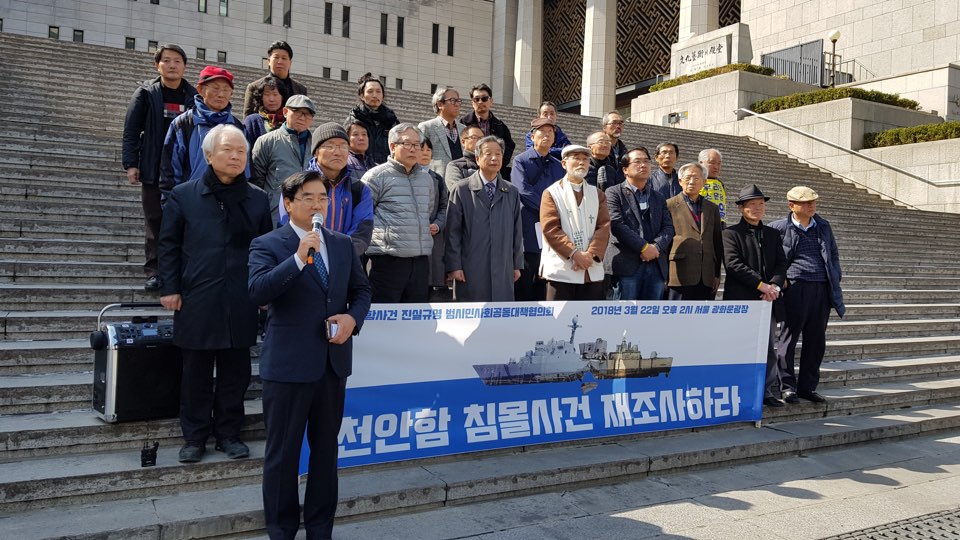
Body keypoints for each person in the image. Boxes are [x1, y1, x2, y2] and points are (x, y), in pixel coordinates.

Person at [249, 170, 372, 540]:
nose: (318, 204)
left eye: (323, 197)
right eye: (308, 198)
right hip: (288, 366)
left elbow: (362, 290)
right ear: (288, 204)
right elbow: (257, 291)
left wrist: (352, 319)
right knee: (282, 454)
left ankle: (320, 528)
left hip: (332, 366)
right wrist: (298, 260)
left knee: (325, 452)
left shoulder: (342, 244)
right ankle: (281, 529)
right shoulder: (268, 244)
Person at [157, 124, 272, 463]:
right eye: (228, 150)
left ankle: (229, 434)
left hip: (240, 296)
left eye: (241, 151)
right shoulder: (184, 195)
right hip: (197, 294)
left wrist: (263, 288)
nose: (236, 156)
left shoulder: (257, 198)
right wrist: (170, 288)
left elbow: (265, 248)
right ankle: (194, 437)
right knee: (195, 372)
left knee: (236, 373)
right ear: (208, 155)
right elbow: (169, 245)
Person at [122, 44, 197, 291]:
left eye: (177, 61)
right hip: (153, 167)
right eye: (166, 60)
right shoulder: (145, 94)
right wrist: (131, 164)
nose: (172, 65)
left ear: (184, 66)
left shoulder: (193, 96)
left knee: (184, 221)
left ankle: (181, 270)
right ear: (157, 65)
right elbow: (131, 130)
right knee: (155, 220)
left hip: (184, 170)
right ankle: (155, 271)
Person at [771, 186, 845, 404]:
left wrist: (835, 275)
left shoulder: (823, 225)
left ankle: (808, 387)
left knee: (816, 341)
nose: (811, 205)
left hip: (822, 288)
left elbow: (833, 253)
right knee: (788, 340)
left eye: (813, 201)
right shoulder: (778, 228)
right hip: (795, 287)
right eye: (805, 203)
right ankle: (787, 387)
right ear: (791, 205)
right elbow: (772, 258)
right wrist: (781, 279)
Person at [722, 185, 788, 407]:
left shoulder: (772, 234)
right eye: (752, 204)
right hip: (742, 298)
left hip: (768, 300)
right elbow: (733, 264)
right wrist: (762, 286)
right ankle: (738, 389)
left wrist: (774, 286)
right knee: (740, 346)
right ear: (741, 208)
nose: (757, 208)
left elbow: (781, 264)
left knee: (768, 347)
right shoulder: (730, 233)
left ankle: (765, 391)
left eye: (761, 204)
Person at [362, 123, 437, 303]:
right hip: (388, 261)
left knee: (416, 315)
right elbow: (363, 218)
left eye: (417, 144)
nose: (413, 149)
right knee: (385, 314)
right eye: (407, 144)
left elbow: (428, 210)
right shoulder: (375, 177)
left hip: (419, 261)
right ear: (392, 146)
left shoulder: (427, 179)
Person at [445, 135, 523, 302]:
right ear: (478, 158)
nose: (494, 158)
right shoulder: (461, 189)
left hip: (503, 268)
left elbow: (517, 232)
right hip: (470, 267)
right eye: (488, 154)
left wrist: (517, 264)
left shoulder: (511, 192)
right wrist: (454, 266)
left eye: (498, 154)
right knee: (471, 312)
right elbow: (452, 232)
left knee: (500, 312)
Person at [539, 145, 611, 301]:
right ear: (564, 164)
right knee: (559, 315)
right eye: (576, 158)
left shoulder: (597, 194)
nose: (581, 162)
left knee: (589, 315)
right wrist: (574, 254)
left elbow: (604, 226)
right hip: (563, 268)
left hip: (591, 266)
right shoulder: (551, 193)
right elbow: (551, 228)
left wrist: (590, 254)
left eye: (585, 159)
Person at [160, 66, 244, 195]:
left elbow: (245, 168)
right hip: (191, 197)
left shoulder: (237, 126)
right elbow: (170, 169)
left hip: (228, 198)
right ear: (200, 90)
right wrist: (172, 200)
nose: (221, 94)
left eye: (226, 90)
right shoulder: (183, 123)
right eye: (215, 88)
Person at [606, 147, 674, 301]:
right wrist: (644, 247)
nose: (643, 165)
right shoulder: (613, 193)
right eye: (637, 162)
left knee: (651, 314)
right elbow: (617, 225)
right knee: (624, 312)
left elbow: (668, 227)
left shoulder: (658, 197)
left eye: (646, 161)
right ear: (625, 169)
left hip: (655, 264)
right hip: (626, 263)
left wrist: (655, 247)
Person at [511, 117, 564, 301]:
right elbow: (522, 191)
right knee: (525, 282)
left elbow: (562, 192)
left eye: (551, 132)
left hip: (551, 230)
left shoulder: (558, 165)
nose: (547, 135)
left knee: (545, 284)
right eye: (542, 132)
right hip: (528, 227)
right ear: (532, 136)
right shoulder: (521, 161)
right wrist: (549, 209)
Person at [305, 122, 375, 257]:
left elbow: (362, 232)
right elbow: (289, 227)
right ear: (316, 152)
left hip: (345, 260)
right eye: (330, 146)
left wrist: (338, 255)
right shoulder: (299, 186)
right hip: (306, 258)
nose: (337, 152)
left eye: (343, 146)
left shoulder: (359, 190)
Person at [251, 95, 315, 226]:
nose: (302, 118)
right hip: (275, 216)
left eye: (308, 114)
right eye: (297, 112)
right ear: (285, 112)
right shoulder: (267, 141)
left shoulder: (317, 145)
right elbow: (257, 182)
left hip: (308, 217)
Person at [665, 163, 723, 300]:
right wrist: (664, 274)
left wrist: (716, 274)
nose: (692, 182)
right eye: (688, 178)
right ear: (680, 181)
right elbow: (665, 241)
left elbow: (717, 242)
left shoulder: (712, 208)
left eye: (696, 178)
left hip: (706, 276)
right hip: (678, 274)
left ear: (704, 182)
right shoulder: (669, 205)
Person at [242, 40, 308, 118]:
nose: (280, 61)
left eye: (284, 58)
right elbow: (247, 118)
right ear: (269, 61)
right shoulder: (254, 87)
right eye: (276, 57)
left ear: (290, 63)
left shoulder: (300, 89)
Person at [460, 83, 515, 176]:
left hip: (495, 171)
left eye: (484, 98)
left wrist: (499, 162)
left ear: (491, 101)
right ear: (472, 103)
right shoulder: (463, 123)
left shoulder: (500, 125)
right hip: (469, 170)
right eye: (476, 99)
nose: (480, 102)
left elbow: (509, 145)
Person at [417, 139, 449, 299]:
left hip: (433, 238)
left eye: (428, 150)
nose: (425, 153)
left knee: (431, 285)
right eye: (421, 149)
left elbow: (444, 207)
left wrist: (437, 224)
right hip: (412, 238)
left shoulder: (438, 179)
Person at [344, 73, 399, 165]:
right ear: (362, 96)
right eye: (370, 91)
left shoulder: (392, 121)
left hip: (385, 169)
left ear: (383, 96)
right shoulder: (354, 119)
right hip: (359, 167)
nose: (374, 95)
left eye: (378, 92)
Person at [418, 86, 465, 175]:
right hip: (436, 180)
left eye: (458, 101)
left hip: (461, 180)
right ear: (440, 104)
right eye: (452, 100)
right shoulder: (426, 127)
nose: (457, 104)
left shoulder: (464, 129)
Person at [242, 76, 285, 151]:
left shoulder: (289, 121)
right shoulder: (252, 121)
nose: (271, 99)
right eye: (267, 94)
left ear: (282, 97)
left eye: (275, 94)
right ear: (261, 97)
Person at [443, 125, 482, 192]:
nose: (479, 141)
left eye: (482, 138)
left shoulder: (490, 164)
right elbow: (457, 191)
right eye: (474, 137)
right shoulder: (455, 165)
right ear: (463, 142)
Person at [699, 148, 728, 227]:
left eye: (719, 163)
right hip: (702, 223)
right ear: (701, 163)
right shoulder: (695, 181)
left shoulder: (720, 183)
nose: (716, 167)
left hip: (720, 225)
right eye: (712, 163)